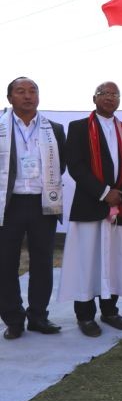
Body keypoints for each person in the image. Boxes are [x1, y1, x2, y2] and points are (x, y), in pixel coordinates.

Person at [58, 82, 122, 337]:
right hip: (89, 205)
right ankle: (85, 315)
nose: (110, 98)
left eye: (115, 94)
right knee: (87, 261)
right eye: (105, 94)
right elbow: (76, 166)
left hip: (119, 207)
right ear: (94, 98)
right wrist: (105, 193)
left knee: (115, 260)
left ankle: (110, 310)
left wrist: (120, 195)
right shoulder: (78, 127)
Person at [0, 77, 66, 339]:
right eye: (21, 91)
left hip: (42, 203)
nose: (28, 96)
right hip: (8, 204)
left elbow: (61, 165)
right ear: (10, 98)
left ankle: (38, 316)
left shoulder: (55, 129)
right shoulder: (1, 126)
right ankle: (13, 319)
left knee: (42, 262)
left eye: (32, 91)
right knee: (6, 264)